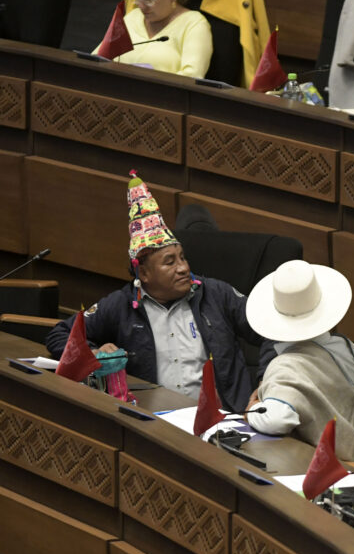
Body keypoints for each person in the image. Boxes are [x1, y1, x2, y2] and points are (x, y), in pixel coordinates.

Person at [46, 171, 273, 412]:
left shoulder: (216, 294)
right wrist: (93, 353)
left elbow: (273, 330)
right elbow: (60, 335)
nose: (184, 268)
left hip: (222, 420)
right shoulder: (121, 305)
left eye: (183, 258)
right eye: (170, 262)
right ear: (144, 274)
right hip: (155, 420)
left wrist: (266, 382)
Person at [243, 259, 354, 460]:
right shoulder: (350, 349)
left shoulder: (285, 366)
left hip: (327, 469)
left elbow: (277, 419)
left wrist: (253, 408)